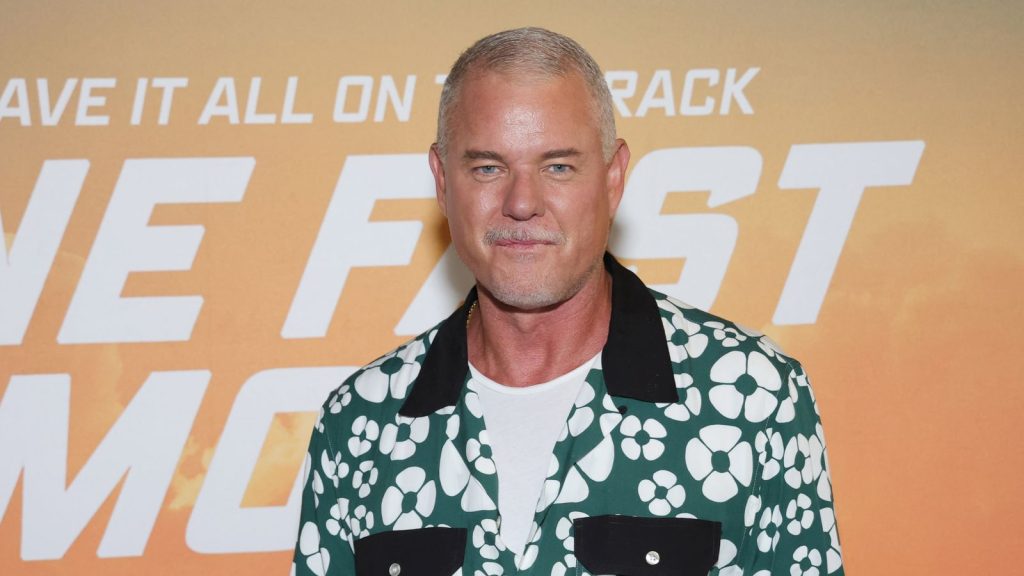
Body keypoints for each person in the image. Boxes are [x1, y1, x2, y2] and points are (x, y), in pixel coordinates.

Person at [293, 27, 843, 576]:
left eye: (558, 167)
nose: (522, 202)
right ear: (441, 181)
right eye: (488, 168)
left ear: (613, 177)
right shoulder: (360, 421)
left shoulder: (753, 397)